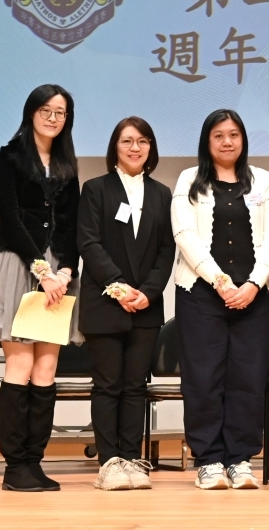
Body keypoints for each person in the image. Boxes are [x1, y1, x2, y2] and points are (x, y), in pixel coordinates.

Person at [0, 84, 81, 492]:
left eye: (60, 112)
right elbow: (11, 220)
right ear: (31, 112)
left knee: (46, 369)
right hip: (19, 265)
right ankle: (15, 465)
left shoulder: (68, 166)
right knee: (19, 365)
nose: (53, 118)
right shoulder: (9, 158)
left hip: (58, 276)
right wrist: (42, 270)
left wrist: (66, 270)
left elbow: (72, 225)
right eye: (46, 110)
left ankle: (34, 462)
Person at [171, 109, 269, 492]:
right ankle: (209, 461)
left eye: (234, 134)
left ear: (243, 139)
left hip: (255, 297)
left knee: (249, 378)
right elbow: (184, 234)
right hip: (201, 296)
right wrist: (220, 282)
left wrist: (252, 284)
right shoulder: (190, 179)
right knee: (203, 379)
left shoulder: (263, 180)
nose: (227, 141)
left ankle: (240, 460)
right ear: (207, 141)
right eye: (218, 135)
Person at [77, 117, 175, 491]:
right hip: (105, 302)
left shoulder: (162, 194)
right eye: (127, 141)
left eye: (143, 141)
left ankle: (132, 461)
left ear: (151, 147)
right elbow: (89, 243)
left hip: (146, 305)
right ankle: (109, 463)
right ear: (114, 147)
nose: (135, 148)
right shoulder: (95, 189)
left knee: (135, 386)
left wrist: (148, 292)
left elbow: (166, 250)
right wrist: (119, 288)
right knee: (108, 385)